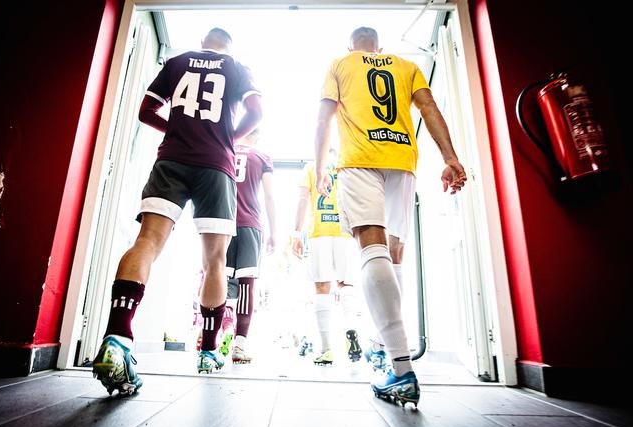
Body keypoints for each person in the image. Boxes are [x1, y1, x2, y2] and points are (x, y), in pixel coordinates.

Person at [92, 28, 262, 395]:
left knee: (147, 242)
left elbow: (145, 111)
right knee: (215, 259)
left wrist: (180, 131)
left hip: (171, 160)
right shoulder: (235, 66)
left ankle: (117, 337)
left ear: (203, 42)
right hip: (216, 165)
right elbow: (258, 112)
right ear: (228, 45)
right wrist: (226, 139)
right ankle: (209, 350)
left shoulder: (176, 62)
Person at [314, 27, 466, 407]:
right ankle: (383, 347)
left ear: (350, 46)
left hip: (360, 162)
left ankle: (400, 368)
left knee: (372, 252)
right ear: (379, 46)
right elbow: (429, 108)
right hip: (401, 162)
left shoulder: (340, 64)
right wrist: (449, 157)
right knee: (392, 257)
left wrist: (320, 168)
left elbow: (323, 120)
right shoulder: (405, 65)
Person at [199, 127, 276, 370]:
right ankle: (240, 344)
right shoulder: (261, 157)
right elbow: (270, 197)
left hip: (223, 221)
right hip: (250, 224)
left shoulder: (225, 150)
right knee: (246, 284)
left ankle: (215, 338)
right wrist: (274, 231)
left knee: (217, 276)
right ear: (258, 136)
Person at [291, 149, 364, 366]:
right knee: (346, 284)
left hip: (319, 232)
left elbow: (303, 200)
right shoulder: (346, 166)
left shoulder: (312, 167)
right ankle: (351, 327)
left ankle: (326, 349)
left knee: (322, 288)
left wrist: (296, 234)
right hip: (344, 231)